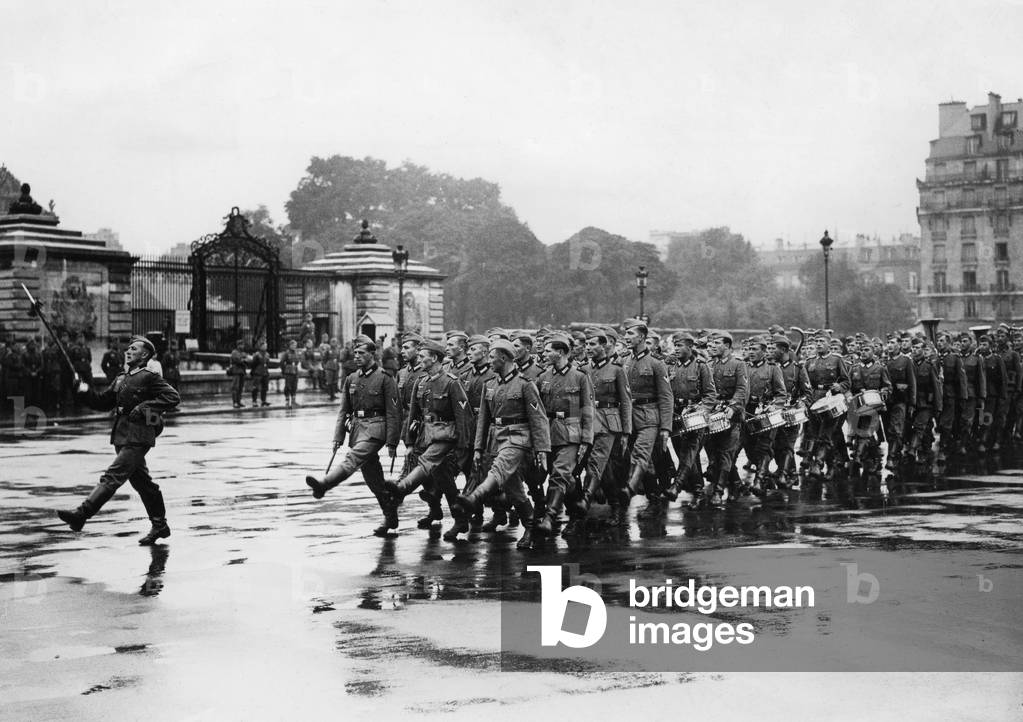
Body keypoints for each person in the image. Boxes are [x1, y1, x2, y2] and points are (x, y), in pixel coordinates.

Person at [56, 337, 180, 544]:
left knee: (112, 476)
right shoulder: (121, 378)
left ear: (145, 355)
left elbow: (173, 397)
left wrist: (143, 408)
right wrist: (84, 391)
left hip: (139, 436)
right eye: (128, 348)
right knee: (143, 483)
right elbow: (103, 402)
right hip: (122, 434)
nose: (128, 351)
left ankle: (81, 515)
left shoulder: (149, 377)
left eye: (134, 349)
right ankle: (160, 525)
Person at [451, 339, 550, 549]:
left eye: (493, 357)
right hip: (496, 439)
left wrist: (542, 449)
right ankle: (531, 528)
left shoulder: (525, 384)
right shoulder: (490, 384)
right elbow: (483, 421)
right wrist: (478, 448)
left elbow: (538, 418)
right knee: (513, 489)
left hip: (518, 438)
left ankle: (473, 497)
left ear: (503, 358)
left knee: (499, 468)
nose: (490, 361)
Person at [305, 336, 401, 537]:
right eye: (355, 353)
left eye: (362, 353)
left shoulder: (385, 378)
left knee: (353, 458)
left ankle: (325, 484)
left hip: (377, 429)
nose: (357, 356)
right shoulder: (351, 379)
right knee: (373, 479)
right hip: (358, 430)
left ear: (372, 354)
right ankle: (390, 513)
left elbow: (393, 412)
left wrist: (392, 441)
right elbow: (343, 411)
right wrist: (338, 437)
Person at [383, 339, 473, 530]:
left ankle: (402, 488)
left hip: (445, 436)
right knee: (445, 480)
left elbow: (463, 417)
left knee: (426, 462)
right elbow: (414, 415)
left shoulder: (451, 383)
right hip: (425, 435)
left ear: (434, 358)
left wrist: (463, 447)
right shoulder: (421, 382)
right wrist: (409, 443)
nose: (420, 359)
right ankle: (460, 520)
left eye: (423, 356)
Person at [534, 333, 594, 536]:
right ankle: (578, 513)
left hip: (571, 431)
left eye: (548, 350)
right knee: (565, 479)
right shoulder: (543, 377)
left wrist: (586, 438)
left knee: (560, 474)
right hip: (549, 433)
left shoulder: (579, 377)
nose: (544, 352)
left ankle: (549, 516)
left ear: (560, 352)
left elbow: (586, 409)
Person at [280, 339, 301, 409]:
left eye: (295, 345)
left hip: (295, 371)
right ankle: (287, 400)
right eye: (293, 345)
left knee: (294, 386)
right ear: (290, 345)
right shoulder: (286, 353)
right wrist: (284, 370)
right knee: (288, 386)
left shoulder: (297, 353)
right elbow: (282, 362)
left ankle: (293, 401)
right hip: (288, 371)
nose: (294, 346)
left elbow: (298, 361)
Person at [228, 339, 249, 408]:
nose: (242, 346)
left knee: (240, 388)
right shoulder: (234, 352)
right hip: (236, 371)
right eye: (241, 345)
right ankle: (235, 402)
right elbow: (238, 360)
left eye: (243, 345)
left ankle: (239, 401)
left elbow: (248, 360)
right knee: (235, 387)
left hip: (242, 372)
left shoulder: (243, 353)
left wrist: (244, 359)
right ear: (238, 345)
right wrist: (243, 360)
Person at [250, 339, 271, 406]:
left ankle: (263, 400)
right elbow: (253, 364)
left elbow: (267, 363)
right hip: (258, 373)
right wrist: (253, 372)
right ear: (260, 347)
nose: (265, 347)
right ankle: (254, 401)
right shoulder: (257, 354)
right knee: (255, 387)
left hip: (265, 373)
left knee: (265, 388)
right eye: (264, 346)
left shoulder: (267, 354)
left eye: (266, 346)